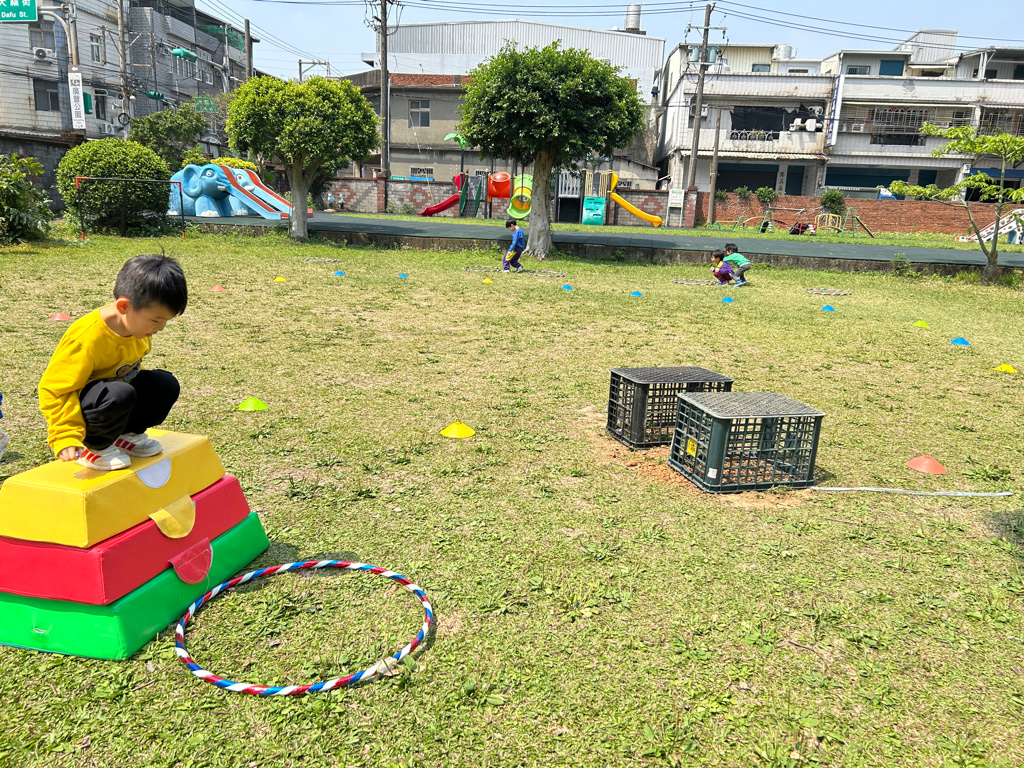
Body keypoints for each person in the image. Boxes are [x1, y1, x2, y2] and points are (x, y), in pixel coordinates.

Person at [38, 254, 188, 471]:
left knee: (164, 385)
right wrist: (65, 435)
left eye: (166, 320)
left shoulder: (138, 329)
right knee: (119, 393)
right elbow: (55, 390)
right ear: (124, 306)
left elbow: (129, 370)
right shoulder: (85, 339)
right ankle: (94, 445)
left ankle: (125, 435)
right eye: (156, 320)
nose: (161, 328)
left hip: (111, 397)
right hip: (87, 408)